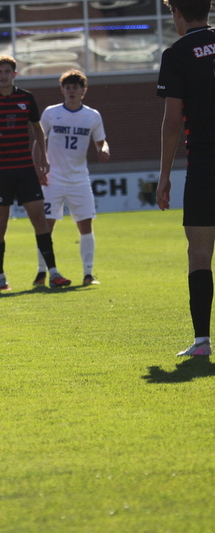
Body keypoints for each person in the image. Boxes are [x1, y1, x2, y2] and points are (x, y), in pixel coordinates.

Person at [0, 55, 71, 291]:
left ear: (14, 74)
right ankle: (0, 277)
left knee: (40, 221)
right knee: (0, 225)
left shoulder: (26, 98)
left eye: (7, 71)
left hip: (24, 170)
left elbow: (37, 128)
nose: (3, 75)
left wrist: (42, 158)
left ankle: (53, 273)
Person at [156, 0, 215, 358]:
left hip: (205, 164)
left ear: (177, 12)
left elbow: (173, 121)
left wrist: (164, 176)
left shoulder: (177, 53)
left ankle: (202, 342)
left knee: (199, 253)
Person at [35, 70, 110, 287]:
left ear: (83, 90)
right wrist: (38, 168)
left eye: (76, 87)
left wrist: (104, 150)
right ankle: (42, 271)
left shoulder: (92, 116)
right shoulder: (51, 113)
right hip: (53, 179)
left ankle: (88, 273)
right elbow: (38, 141)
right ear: (62, 90)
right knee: (46, 226)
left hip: (79, 180)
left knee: (85, 225)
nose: (71, 91)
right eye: (68, 87)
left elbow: (101, 142)